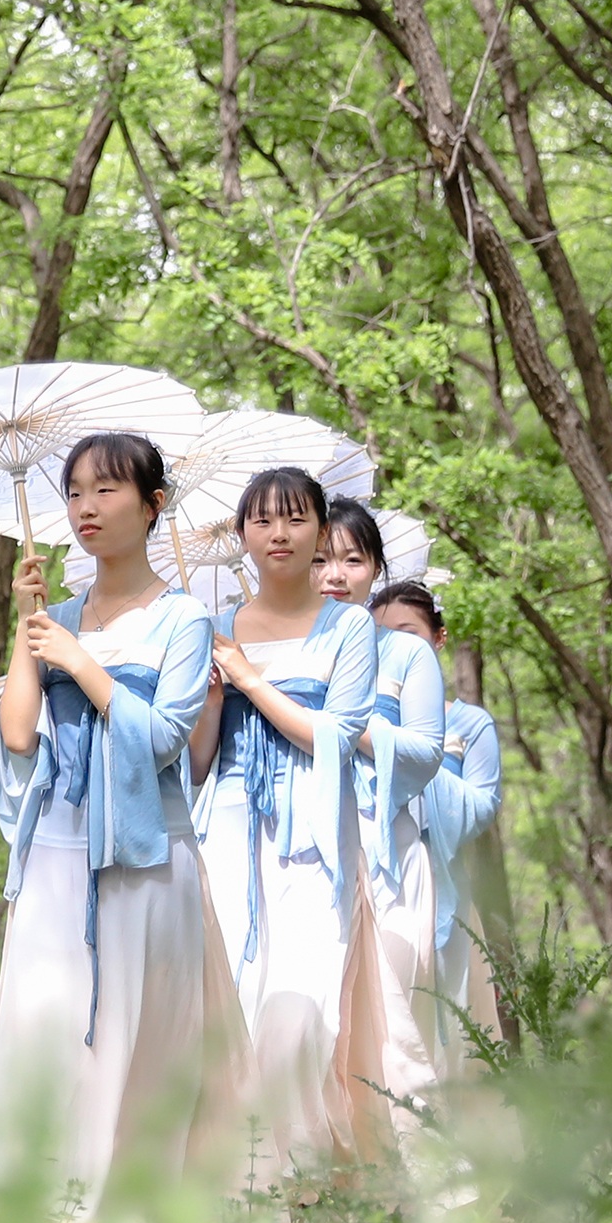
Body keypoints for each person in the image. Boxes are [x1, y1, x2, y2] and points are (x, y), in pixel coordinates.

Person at [0, 433, 243, 1214]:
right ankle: (36, 1215)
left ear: (153, 504)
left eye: (106, 489)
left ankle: (131, 1216)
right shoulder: (54, 617)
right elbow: (18, 736)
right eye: (75, 492)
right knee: (48, 1030)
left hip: (144, 859)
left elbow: (163, 740)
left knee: (137, 1038)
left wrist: (82, 662)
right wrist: (28, 628)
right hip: (57, 854)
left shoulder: (185, 619)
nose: (85, 507)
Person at [188, 465, 386, 1173]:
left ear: (320, 531)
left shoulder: (350, 626)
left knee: (299, 1015)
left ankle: (303, 1172)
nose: (279, 533)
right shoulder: (214, 630)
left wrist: (249, 679)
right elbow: (199, 764)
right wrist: (212, 701)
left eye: (297, 518)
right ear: (242, 533)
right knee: (233, 1009)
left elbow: (336, 735)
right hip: (227, 830)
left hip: (313, 834)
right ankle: (243, 1182)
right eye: (263, 519)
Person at [318, 501, 447, 1112]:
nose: (334, 575)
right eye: (320, 559)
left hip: (388, 852)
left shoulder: (405, 654)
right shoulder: (282, 650)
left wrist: (344, 723)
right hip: (306, 854)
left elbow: (424, 752)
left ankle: (406, 1154)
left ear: (375, 569)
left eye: (352, 559)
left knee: (393, 1023)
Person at [375, 579, 504, 1049]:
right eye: (380, 634)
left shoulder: (470, 723)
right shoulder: (365, 711)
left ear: (438, 637)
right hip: (380, 867)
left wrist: (422, 762)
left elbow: (482, 805)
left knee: (450, 1015)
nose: (392, 644)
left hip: (442, 875)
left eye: (406, 633)